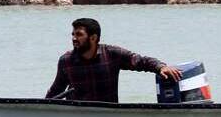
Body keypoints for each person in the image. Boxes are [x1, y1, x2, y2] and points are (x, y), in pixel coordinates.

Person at [46, 18, 181, 103]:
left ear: (93, 38)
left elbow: (140, 61)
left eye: (79, 34)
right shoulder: (66, 61)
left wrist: (161, 67)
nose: (74, 38)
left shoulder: (111, 54)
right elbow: (56, 91)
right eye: (73, 34)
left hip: (108, 116)